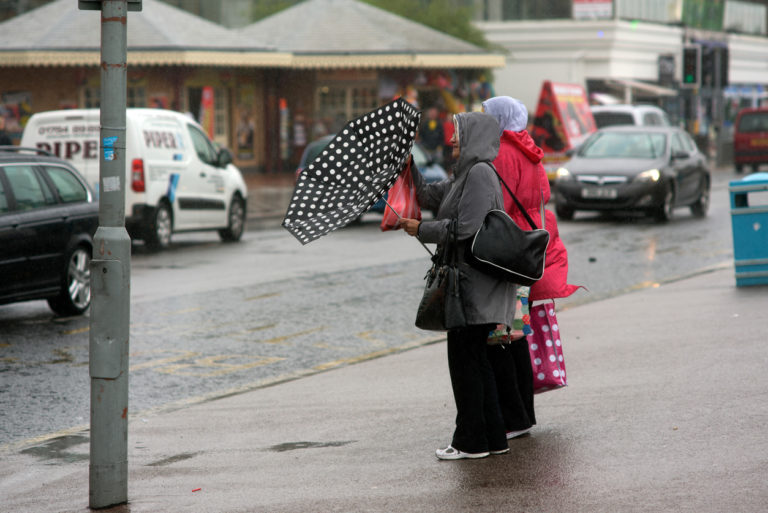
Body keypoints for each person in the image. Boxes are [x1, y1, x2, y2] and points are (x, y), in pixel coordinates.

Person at [398, 111, 515, 460]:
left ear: (473, 140)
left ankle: (470, 442)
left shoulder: (479, 174)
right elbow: (427, 196)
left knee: (465, 365)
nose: (451, 140)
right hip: (469, 287)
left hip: (474, 287)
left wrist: (421, 230)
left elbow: (466, 229)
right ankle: (493, 439)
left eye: (458, 135)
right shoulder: (464, 174)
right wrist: (408, 167)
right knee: (476, 362)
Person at [481, 96, 579, 439]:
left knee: (502, 336)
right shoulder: (531, 152)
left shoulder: (501, 154)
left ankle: (513, 417)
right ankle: (522, 413)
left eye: (486, 114)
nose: (482, 119)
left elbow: (497, 206)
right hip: (527, 257)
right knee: (517, 335)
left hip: (505, 258)